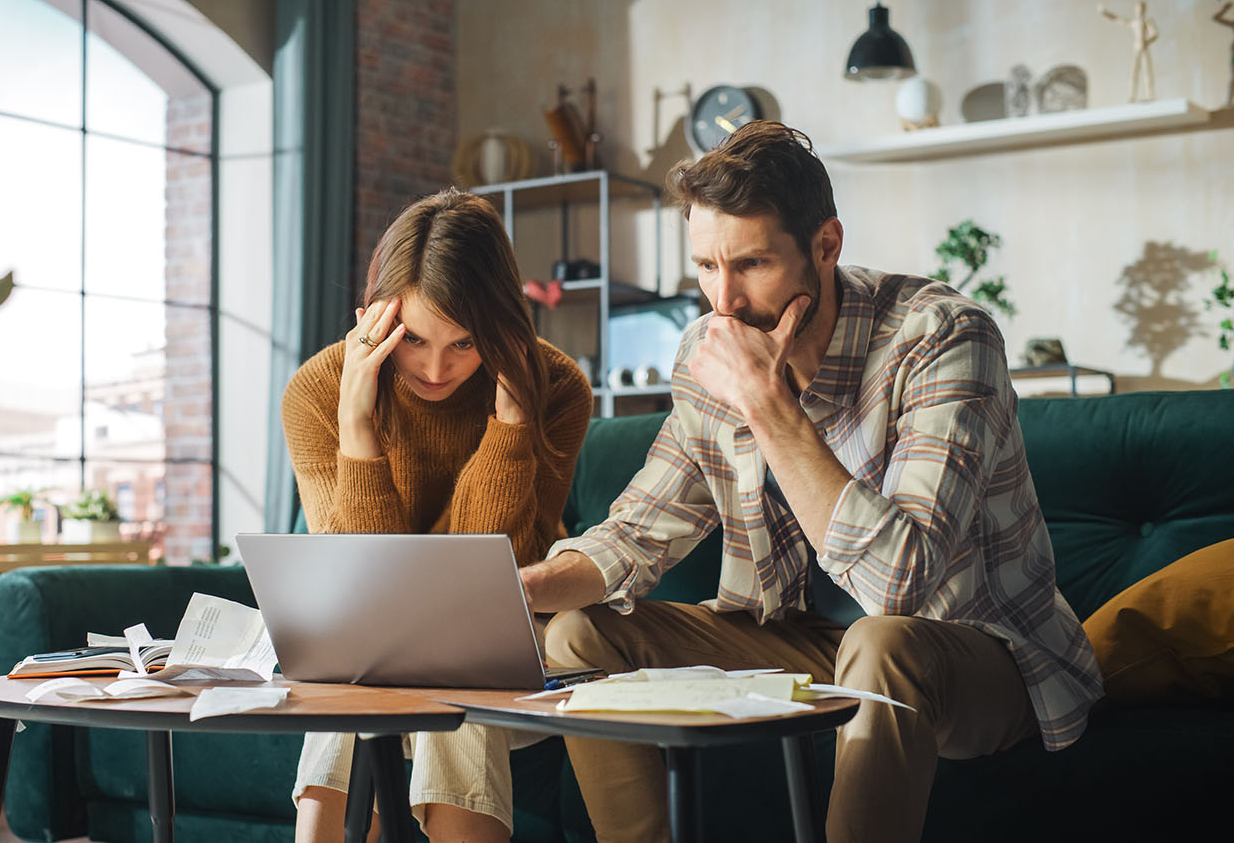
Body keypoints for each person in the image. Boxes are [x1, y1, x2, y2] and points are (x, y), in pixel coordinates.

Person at [519, 121, 1104, 843]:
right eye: (705, 267)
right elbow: (639, 531)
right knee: (579, 635)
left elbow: (900, 587)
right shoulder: (711, 349)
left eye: (752, 264)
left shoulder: (942, 338)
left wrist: (767, 405)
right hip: (803, 640)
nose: (722, 303)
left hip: (978, 651)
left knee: (883, 645)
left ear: (825, 245)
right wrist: (520, 592)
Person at [281, 187, 593, 843]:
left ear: (506, 329)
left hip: (508, 640)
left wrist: (511, 424)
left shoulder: (556, 388)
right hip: (373, 645)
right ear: (370, 320)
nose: (433, 368)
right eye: (413, 340)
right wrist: (356, 426)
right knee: (356, 673)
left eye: (464, 343)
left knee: (456, 657)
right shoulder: (318, 390)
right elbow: (359, 582)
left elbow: (492, 579)